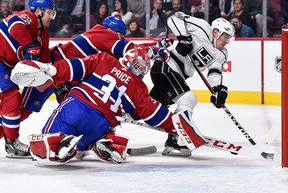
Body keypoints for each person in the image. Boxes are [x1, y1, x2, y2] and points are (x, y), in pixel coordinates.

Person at [11, 48, 206, 164]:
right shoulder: (138, 86)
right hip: (102, 122)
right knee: (81, 150)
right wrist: (175, 127)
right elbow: (153, 113)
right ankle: (102, 143)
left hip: (77, 106)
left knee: (47, 139)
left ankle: (57, 145)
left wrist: (52, 69)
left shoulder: (105, 60)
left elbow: (75, 68)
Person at [20, 16, 139, 123]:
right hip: (52, 70)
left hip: (64, 76)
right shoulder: (102, 33)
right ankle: (8, 134)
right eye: (119, 35)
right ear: (110, 29)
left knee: (80, 106)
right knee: (23, 110)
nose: (120, 38)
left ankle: (93, 137)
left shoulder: (103, 46)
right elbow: (127, 48)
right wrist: (151, 50)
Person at [149, 12, 235, 156]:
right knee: (188, 98)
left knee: (146, 109)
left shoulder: (221, 54)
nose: (226, 41)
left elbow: (214, 71)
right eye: (225, 36)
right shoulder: (202, 27)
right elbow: (173, 19)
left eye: (229, 38)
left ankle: (173, 139)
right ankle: (179, 137)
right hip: (165, 66)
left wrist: (217, 89)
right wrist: (184, 38)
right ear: (216, 32)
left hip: (175, 79)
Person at [0, 0, 56, 158]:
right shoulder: (28, 17)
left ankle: (8, 137)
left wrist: (53, 82)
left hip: (7, 66)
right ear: (38, 11)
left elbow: (44, 63)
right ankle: (11, 144)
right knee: (12, 96)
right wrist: (28, 46)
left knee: (17, 106)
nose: (51, 17)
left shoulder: (43, 36)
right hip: (2, 61)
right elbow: (14, 27)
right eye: (49, 13)